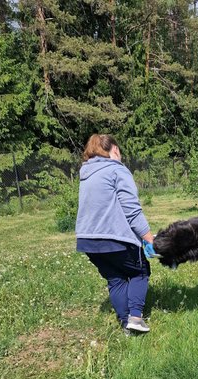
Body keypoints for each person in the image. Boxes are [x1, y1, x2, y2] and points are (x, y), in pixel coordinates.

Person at [75, 134, 156, 335]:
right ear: (115, 150)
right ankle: (136, 318)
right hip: (114, 238)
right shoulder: (116, 170)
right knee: (140, 271)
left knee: (116, 279)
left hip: (87, 240)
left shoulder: (87, 173)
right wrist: (149, 238)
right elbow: (131, 209)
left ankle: (125, 324)